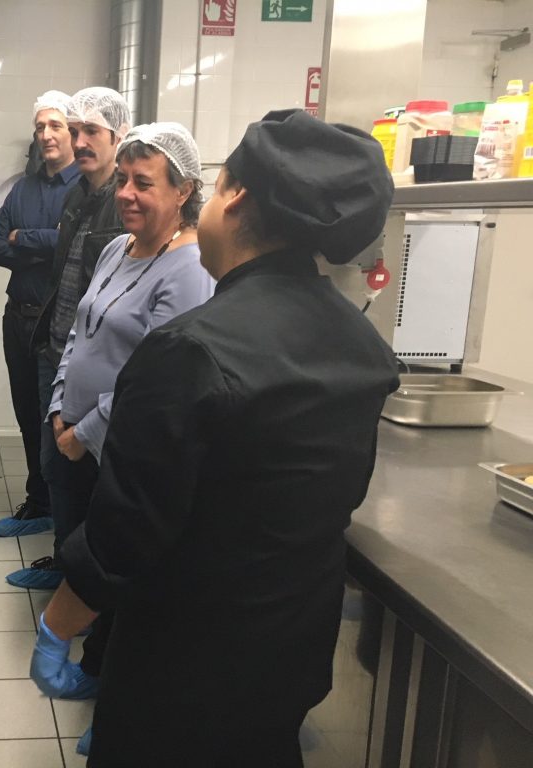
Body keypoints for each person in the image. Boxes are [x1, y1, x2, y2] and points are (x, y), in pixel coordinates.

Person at [30, 109, 401, 765]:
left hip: (189, 666)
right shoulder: (359, 342)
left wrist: (58, 625)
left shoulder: (191, 351)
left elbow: (126, 528)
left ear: (236, 199)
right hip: (289, 650)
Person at [22, 122, 214, 712]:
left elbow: (154, 379)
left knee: (117, 572)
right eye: (123, 179)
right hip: (74, 433)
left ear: (183, 190)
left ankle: (112, 690)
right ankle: (92, 667)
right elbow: (79, 334)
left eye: (143, 183)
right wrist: (60, 405)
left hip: (121, 449)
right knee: (81, 555)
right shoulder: (116, 248)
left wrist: (85, 432)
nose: (126, 193)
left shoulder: (190, 269)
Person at [4, 86, 132, 587]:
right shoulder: (78, 195)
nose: (79, 141)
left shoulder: (122, 203)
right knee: (56, 465)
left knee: (88, 474)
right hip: (57, 351)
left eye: (89, 131)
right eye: (74, 130)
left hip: (97, 363)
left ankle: (82, 579)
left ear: (118, 136)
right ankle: (65, 563)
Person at [0, 91, 80, 537]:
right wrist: (45, 242)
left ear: (72, 132)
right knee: (27, 413)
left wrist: (24, 238)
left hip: (59, 325)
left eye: (55, 125)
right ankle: (38, 500)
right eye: (40, 126)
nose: (46, 134)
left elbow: (71, 246)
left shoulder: (84, 189)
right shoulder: (23, 188)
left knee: (55, 418)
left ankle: (63, 513)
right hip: (17, 320)